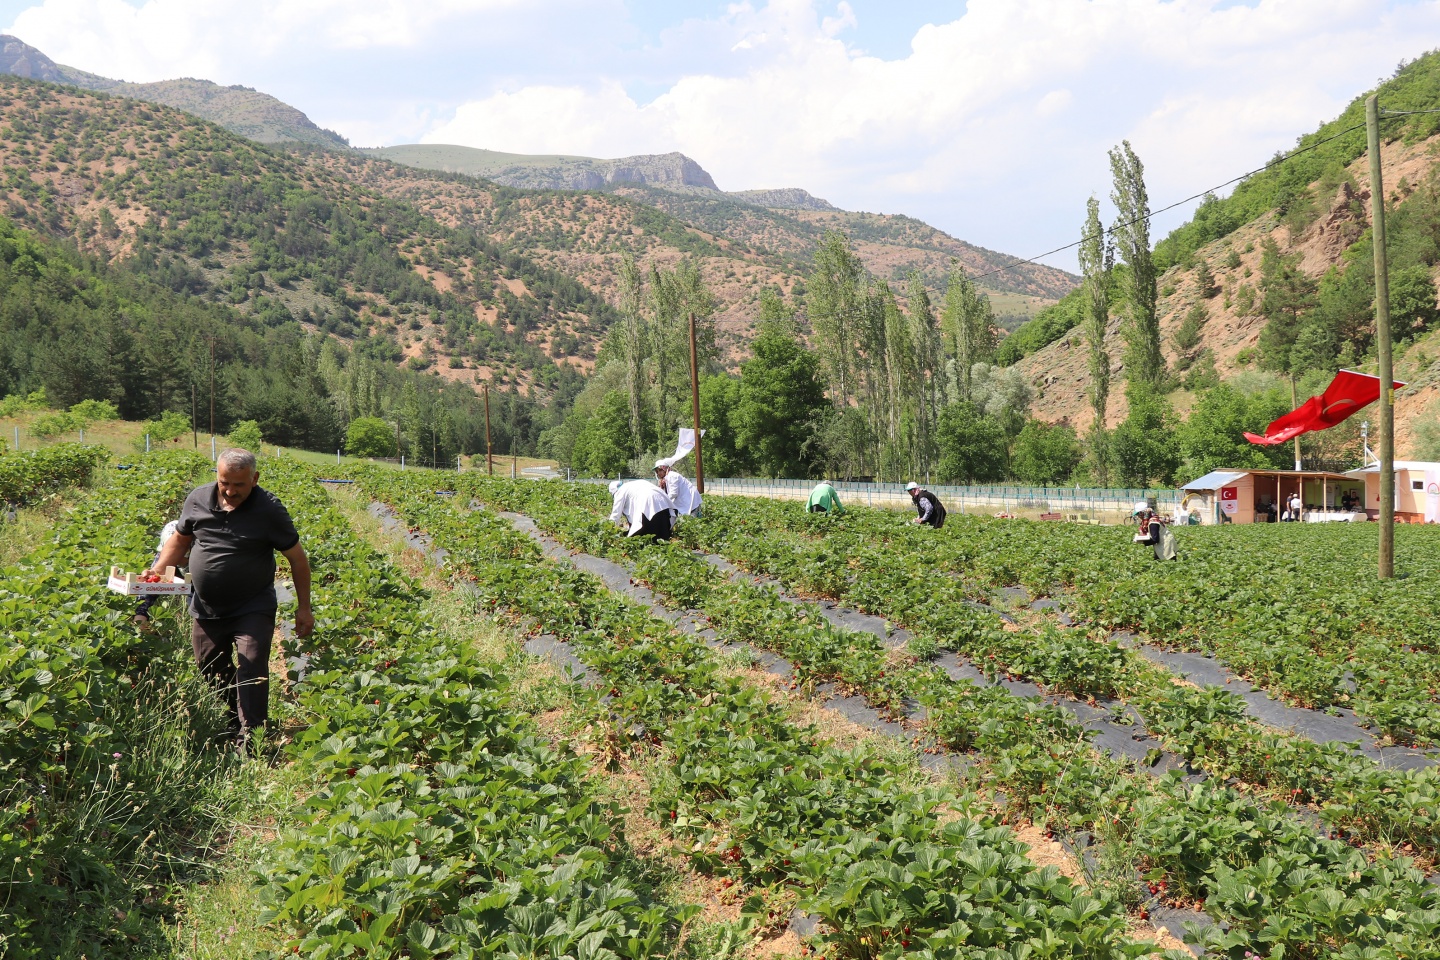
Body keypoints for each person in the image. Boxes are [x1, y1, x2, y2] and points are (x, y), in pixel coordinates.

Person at [148, 449, 313, 752]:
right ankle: (233, 721)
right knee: (209, 666)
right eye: (225, 482)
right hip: (207, 606)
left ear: (255, 479)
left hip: (253, 605)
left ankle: (251, 741)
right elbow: (181, 539)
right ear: (217, 476)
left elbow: (298, 560)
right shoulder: (198, 499)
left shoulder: (269, 510)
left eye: (239, 484)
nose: (231, 491)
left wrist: (304, 608)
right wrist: (158, 571)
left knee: (251, 667)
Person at [133, 518, 190, 632]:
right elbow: (148, 590)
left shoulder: (202, 560)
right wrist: (140, 616)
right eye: (169, 553)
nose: (174, 558)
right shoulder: (163, 559)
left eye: (178, 554)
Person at [608, 478, 677, 541]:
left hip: (647, 502)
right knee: (662, 535)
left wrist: (608, 530)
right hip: (663, 502)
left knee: (644, 536)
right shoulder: (633, 484)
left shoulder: (620, 491)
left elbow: (616, 514)